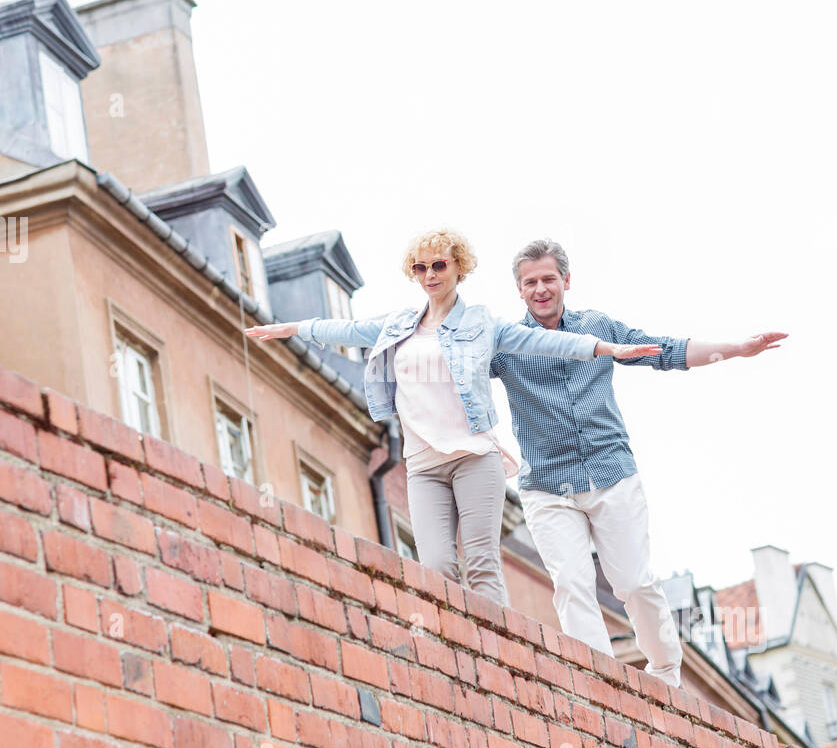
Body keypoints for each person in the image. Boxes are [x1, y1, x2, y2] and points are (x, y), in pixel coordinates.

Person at [244, 228, 663, 605]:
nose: (430, 274)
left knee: (482, 564)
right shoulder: (398, 326)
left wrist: (607, 349)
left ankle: (499, 662)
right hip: (423, 465)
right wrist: (291, 328)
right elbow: (345, 330)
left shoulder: (482, 323)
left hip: (473, 457)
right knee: (437, 569)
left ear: (458, 267)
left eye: (439, 265)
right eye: (420, 267)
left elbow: (549, 344)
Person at [492, 239, 787, 688]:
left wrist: (737, 348)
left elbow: (661, 350)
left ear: (566, 281)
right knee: (572, 585)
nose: (540, 289)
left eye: (548, 279)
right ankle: (599, 681)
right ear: (519, 290)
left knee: (632, 582)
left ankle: (666, 673)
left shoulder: (596, 326)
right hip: (547, 485)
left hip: (610, 472)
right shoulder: (507, 345)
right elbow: (457, 372)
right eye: (530, 282)